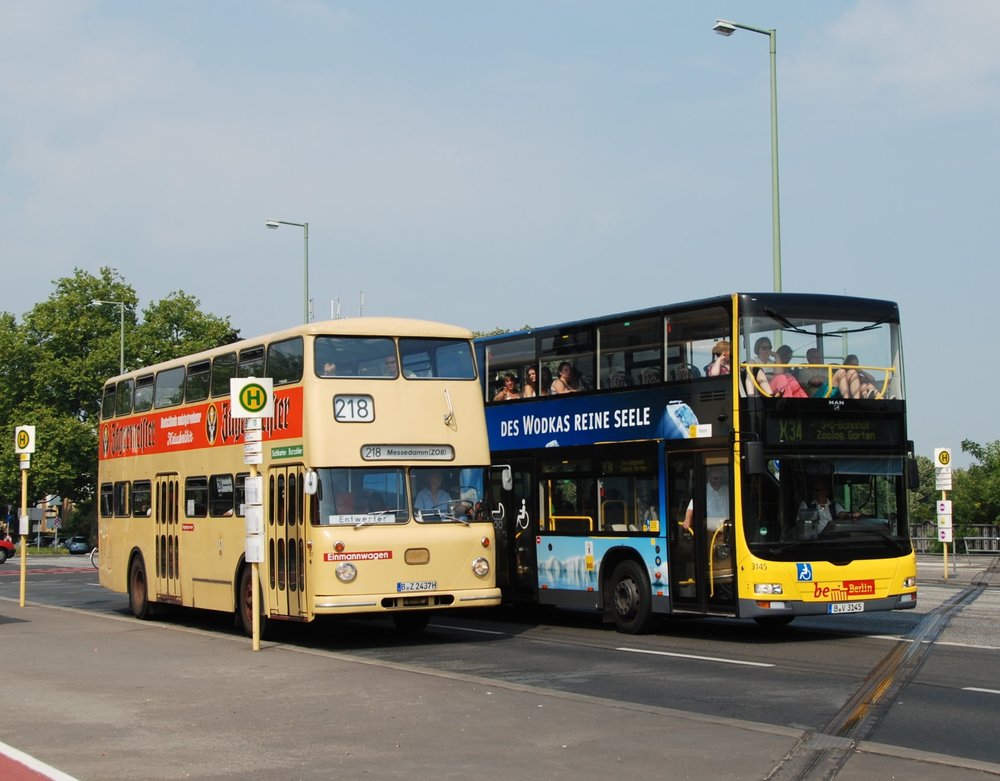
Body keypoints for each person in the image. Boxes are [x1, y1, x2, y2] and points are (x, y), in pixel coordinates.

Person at [684, 467, 730, 532]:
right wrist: (687, 520)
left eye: (720, 478)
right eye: (715, 478)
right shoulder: (702, 491)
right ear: (709, 478)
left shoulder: (726, 490)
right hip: (709, 533)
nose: (718, 481)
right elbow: (691, 508)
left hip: (727, 529)